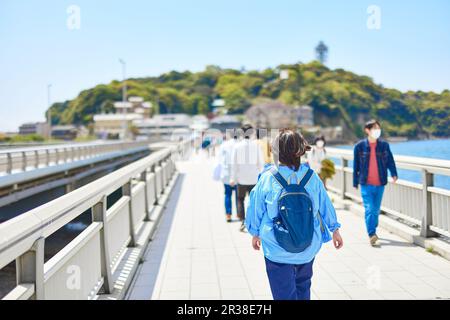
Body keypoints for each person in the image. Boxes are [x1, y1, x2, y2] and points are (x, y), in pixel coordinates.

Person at [245, 129, 343, 300]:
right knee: (303, 288)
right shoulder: (312, 177)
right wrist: (335, 229)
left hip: (277, 248)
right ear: (300, 151)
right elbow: (325, 205)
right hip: (307, 246)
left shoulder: (268, 178)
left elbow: (255, 208)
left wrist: (255, 233)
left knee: (283, 294)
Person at [353, 119, 398, 246]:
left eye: (378, 128)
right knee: (370, 208)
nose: (377, 131)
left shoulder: (384, 145)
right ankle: (372, 233)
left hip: (380, 183)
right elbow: (355, 165)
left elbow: (390, 160)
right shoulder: (359, 146)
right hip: (366, 183)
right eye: (374, 128)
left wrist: (394, 173)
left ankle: (372, 223)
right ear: (367, 130)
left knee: (376, 210)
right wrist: (355, 182)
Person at [230, 124, 264, 232]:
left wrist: (232, 178)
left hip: (241, 178)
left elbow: (234, 164)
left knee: (240, 200)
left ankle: (242, 221)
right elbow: (260, 163)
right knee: (253, 200)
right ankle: (253, 221)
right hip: (254, 178)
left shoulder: (237, 146)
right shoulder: (256, 146)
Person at [217, 132, 238, 222]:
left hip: (226, 173)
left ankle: (228, 215)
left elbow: (219, 160)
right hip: (237, 174)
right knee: (238, 196)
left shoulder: (224, 145)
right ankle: (239, 214)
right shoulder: (238, 144)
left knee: (227, 194)